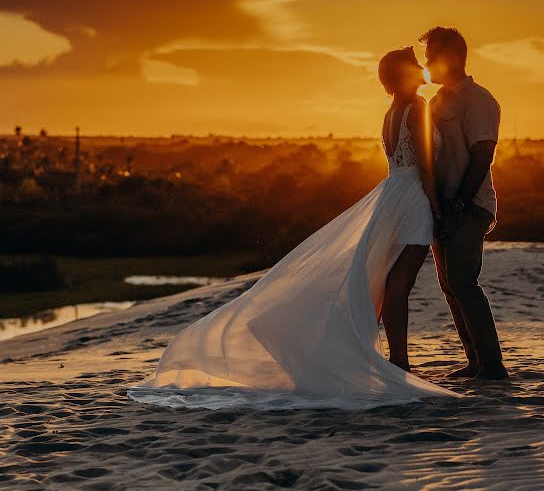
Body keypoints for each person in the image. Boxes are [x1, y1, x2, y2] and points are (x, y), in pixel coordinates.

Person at [126, 47, 460, 411]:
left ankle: (398, 360)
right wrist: (437, 207)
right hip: (411, 196)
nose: (419, 70)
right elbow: (425, 163)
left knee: (389, 280)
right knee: (400, 282)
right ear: (404, 74)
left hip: (391, 193)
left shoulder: (392, 111)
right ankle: (399, 363)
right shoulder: (419, 107)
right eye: (414, 65)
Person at [421, 26, 509, 380]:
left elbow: (482, 154)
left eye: (432, 57)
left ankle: (492, 365)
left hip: (470, 205)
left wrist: (458, 205)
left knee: (463, 282)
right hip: (441, 207)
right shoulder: (435, 102)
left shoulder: (479, 99)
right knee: (449, 285)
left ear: (454, 57)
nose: (427, 64)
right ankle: (475, 360)